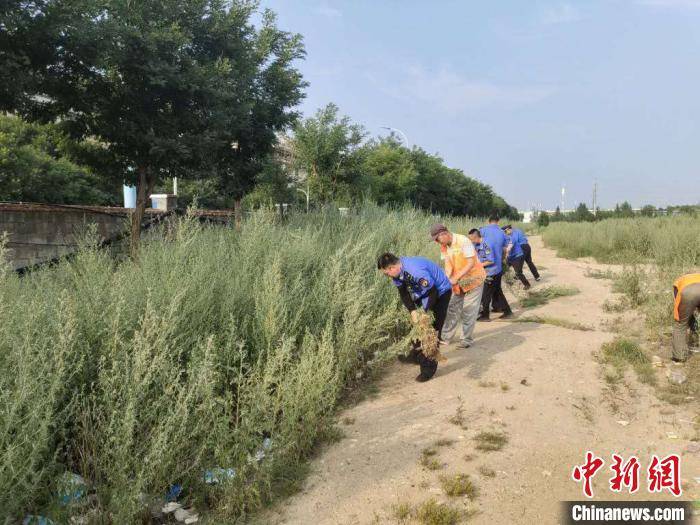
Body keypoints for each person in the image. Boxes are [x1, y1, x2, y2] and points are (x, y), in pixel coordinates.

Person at [377, 252, 452, 381]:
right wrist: (412, 311)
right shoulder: (397, 272)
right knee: (416, 326)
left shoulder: (414, 270)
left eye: (386, 272)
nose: (387, 275)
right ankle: (416, 354)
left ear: (391, 268)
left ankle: (428, 369)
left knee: (431, 331)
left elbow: (433, 292)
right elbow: (404, 293)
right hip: (422, 294)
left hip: (440, 293)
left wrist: (424, 313)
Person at [430, 223, 486, 349]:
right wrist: (446, 280)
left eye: (437, 239)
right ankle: (445, 337)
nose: (436, 242)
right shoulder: (444, 246)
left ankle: (466, 340)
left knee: (468, 310)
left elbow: (471, 262)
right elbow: (448, 264)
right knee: (452, 308)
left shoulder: (463, 241)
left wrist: (455, 277)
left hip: (474, 280)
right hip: (458, 283)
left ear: (443, 234)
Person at [468, 228, 511, 321]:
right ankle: (507, 311)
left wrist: (478, 266)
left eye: (471, 239)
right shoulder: (478, 244)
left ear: (475, 237)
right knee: (497, 292)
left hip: (492, 272)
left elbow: (491, 260)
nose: (471, 241)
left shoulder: (486, 245)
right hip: (492, 271)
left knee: (486, 294)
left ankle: (485, 315)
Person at [478, 216, 513, 320]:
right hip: (498, 267)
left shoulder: (482, 230)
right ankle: (506, 311)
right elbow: (506, 248)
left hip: (489, 268)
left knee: (486, 292)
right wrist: (503, 258)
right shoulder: (502, 232)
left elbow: (477, 243)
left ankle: (485, 315)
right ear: (498, 222)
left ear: (488, 221)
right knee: (497, 290)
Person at [671, 273, 700, 363]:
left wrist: (687, 319)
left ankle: (679, 357)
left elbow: (680, 310)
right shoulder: (696, 276)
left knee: (680, 325)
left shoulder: (678, 283)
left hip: (687, 292)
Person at [502, 225, 531, 290]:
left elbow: (509, 248)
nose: (505, 232)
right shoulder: (503, 239)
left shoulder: (512, 238)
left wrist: (504, 253)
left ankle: (527, 284)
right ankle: (509, 281)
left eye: (506, 231)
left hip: (517, 256)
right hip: (510, 257)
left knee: (518, 272)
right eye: (504, 232)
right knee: (504, 269)